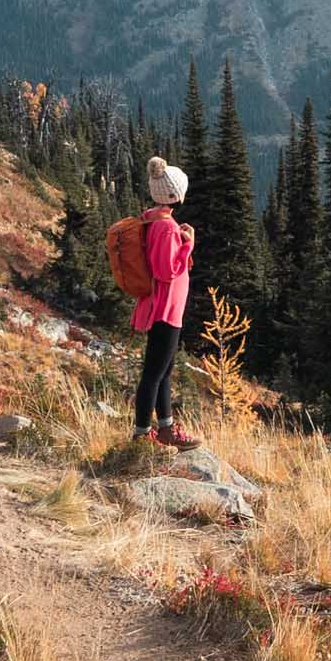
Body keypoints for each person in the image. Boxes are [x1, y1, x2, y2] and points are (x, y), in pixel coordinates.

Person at [133, 156, 196, 447]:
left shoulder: (153, 219)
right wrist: (188, 244)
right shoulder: (167, 227)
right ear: (175, 195)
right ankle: (142, 435)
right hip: (165, 309)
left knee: (163, 371)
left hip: (163, 307)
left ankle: (166, 428)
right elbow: (166, 271)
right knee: (153, 374)